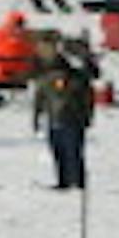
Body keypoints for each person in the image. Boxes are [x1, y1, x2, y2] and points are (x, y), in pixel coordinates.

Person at [31, 55, 93, 190]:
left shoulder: (77, 80)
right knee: (61, 152)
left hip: (71, 120)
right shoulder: (46, 81)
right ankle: (65, 180)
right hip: (58, 120)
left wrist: (87, 117)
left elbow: (87, 99)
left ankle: (76, 181)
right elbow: (38, 101)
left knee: (71, 152)